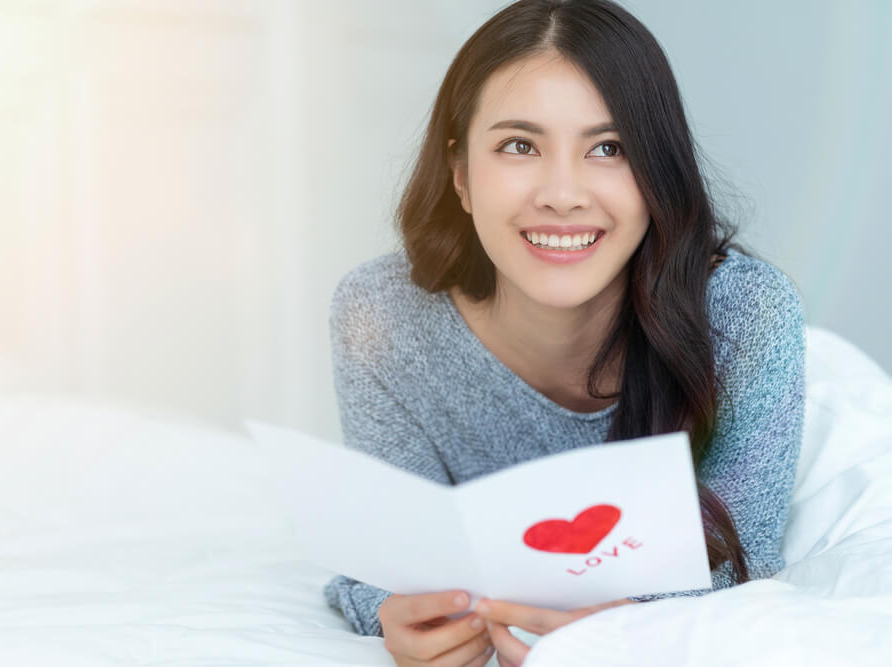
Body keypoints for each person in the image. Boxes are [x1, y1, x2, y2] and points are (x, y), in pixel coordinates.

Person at [323, 1, 806, 665]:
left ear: (656, 174)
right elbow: (379, 558)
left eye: (609, 148)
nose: (562, 192)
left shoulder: (746, 318)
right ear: (461, 174)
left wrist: (623, 627)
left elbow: (739, 560)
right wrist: (391, 612)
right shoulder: (378, 315)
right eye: (519, 145)